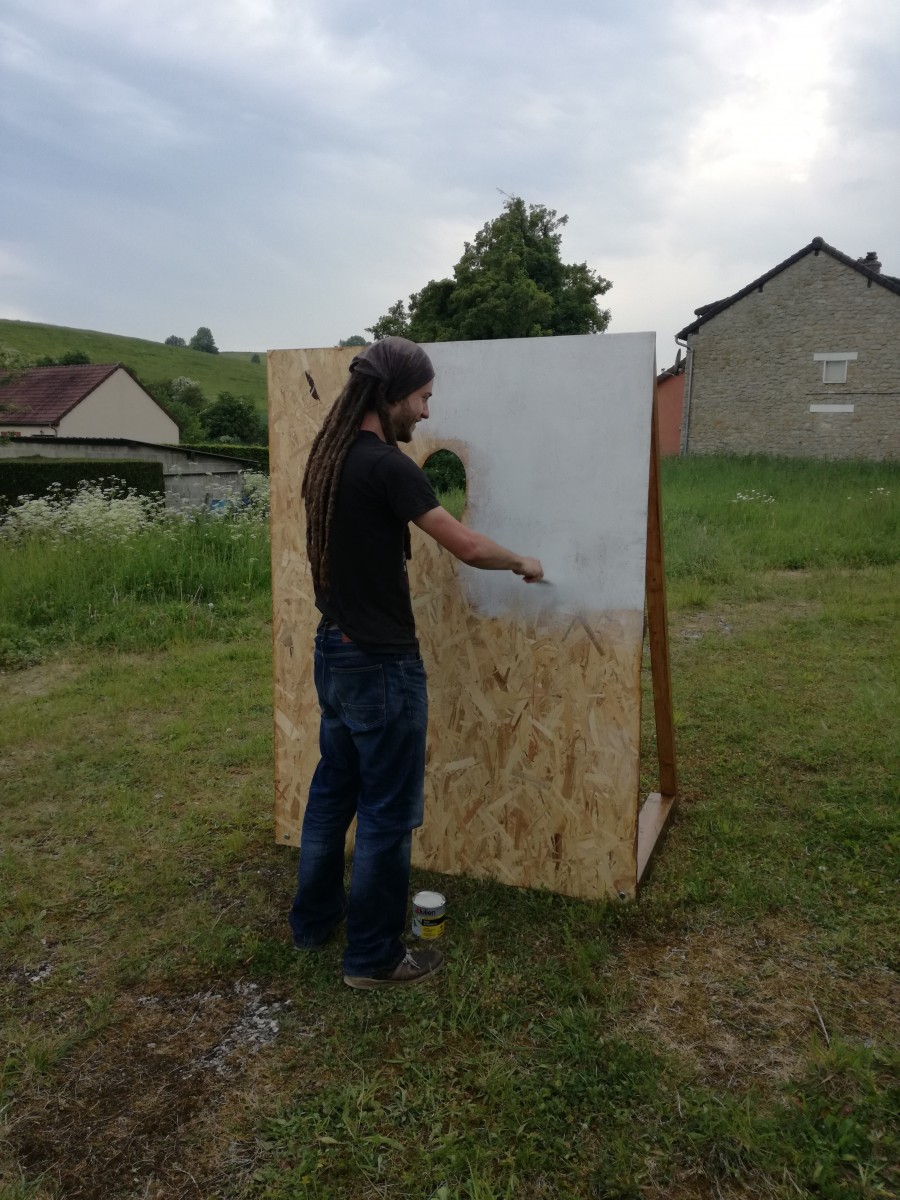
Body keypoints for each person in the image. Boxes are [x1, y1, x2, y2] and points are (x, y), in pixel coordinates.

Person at [289, 337, 543, 989]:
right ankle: (372, 957)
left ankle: (313, 924)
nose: (427, 413)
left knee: (332, 792)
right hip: (379, 665)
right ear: (394, 395)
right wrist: (521, 560)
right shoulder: (388, 466)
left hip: (335, 653)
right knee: (385, 814)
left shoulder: (329, 459)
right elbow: (464, 543)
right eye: (424, 398)